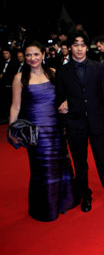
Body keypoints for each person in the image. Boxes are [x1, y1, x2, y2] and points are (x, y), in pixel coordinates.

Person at [9, 41, 78, 221]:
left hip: (56, 127)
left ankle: (65, 201)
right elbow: (15, 107)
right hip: (35, 131)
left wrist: (67, 104)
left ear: (43, 54)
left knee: (60, 163)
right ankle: (46, 207)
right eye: (29, 55)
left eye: (36, 54)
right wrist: (12, 130)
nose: (32, 58)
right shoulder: (19, 78)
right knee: (42, 167)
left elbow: (66, 96)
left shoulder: (53, 73)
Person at [55, 32, 104, 212]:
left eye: (82, 44)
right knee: (80, 164)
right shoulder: (62, 71)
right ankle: (85, 196)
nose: (79, 48)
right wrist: (63, 105)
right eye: (75, 44)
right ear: (69, 47)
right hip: (75, 123)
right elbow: (59, 98)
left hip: (97, 120)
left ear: (87, 47)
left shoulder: (98, 67)